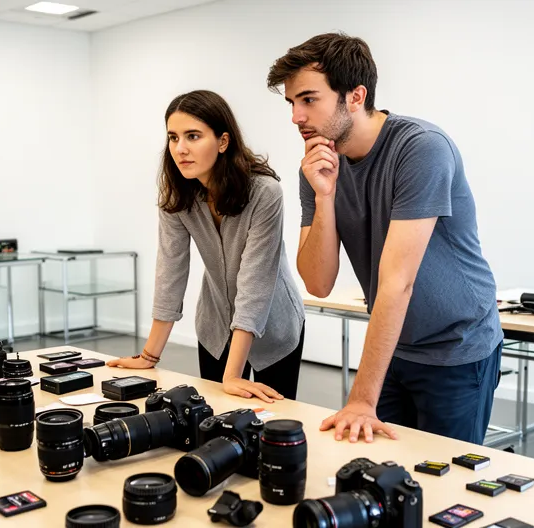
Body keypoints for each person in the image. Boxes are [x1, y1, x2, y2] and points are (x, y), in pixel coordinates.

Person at [267, 33, 503, 442]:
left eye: (308, 99)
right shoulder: (318, 165)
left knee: (445, 485)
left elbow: (398, 281)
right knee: (381, 472)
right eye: (291, 103)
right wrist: (325, 198)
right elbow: (318, 282)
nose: (296, 117)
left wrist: (361, 398)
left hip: (456, 348)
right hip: (395, 346)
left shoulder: (421, 149)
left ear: (355, 96)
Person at [108, 90, 306, 402]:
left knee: (273, 424)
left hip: (275, 326)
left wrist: (233, 374)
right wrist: (149, 356)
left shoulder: (265, 193)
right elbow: (170, 272)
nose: (180, 148)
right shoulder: (177, 196)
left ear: (223, 142)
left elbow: (254, 284)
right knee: (213, 417)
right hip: (216, 326)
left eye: (193, 136)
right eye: (173, 137)